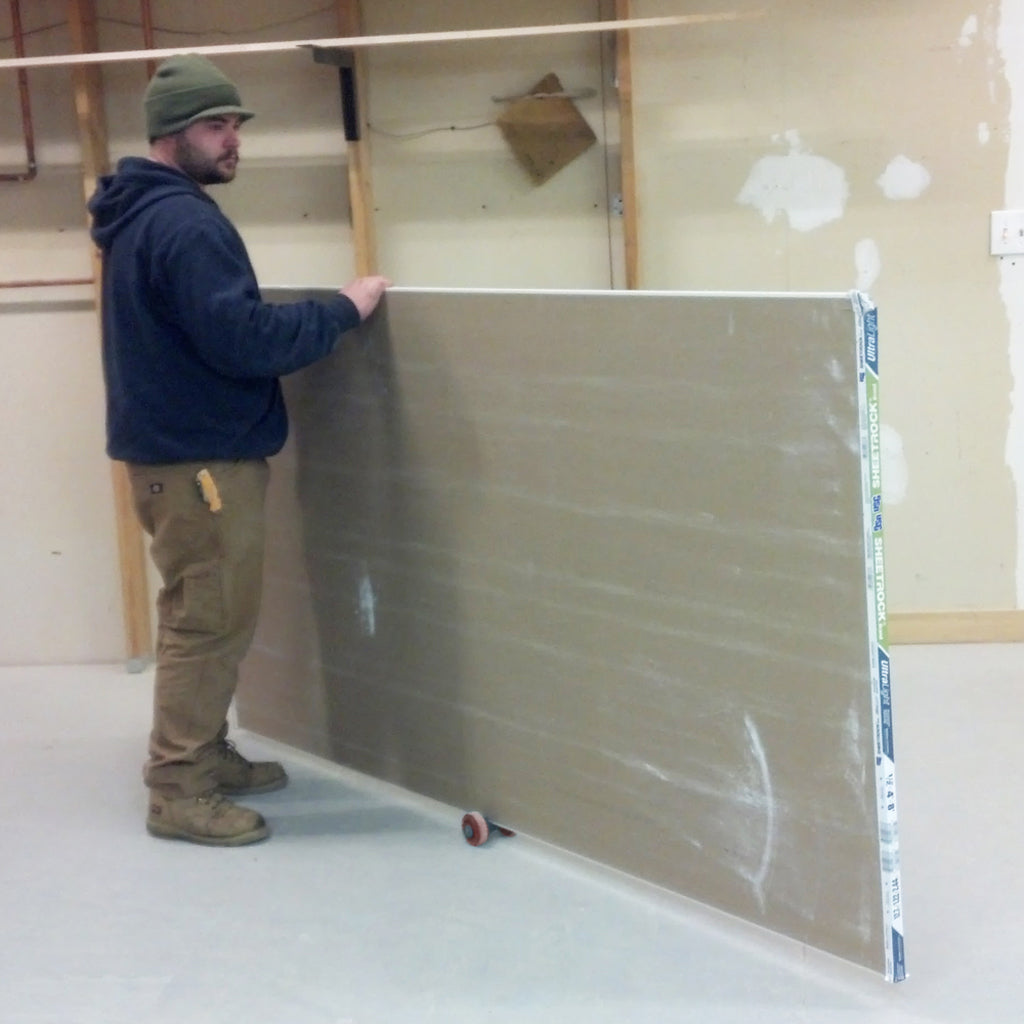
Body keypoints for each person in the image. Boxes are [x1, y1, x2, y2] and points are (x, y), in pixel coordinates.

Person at [88, 54, 390, 847]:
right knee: (206, 624)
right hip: (200, 465)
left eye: (235, 126)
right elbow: (244, 341)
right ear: (172, 134)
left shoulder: (142, 215)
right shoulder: (184, 222)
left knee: (204, 614)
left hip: (176, 458)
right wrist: (341, 310)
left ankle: (207, 754)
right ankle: (181, 791)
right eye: (215, 127)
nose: (233, 142)